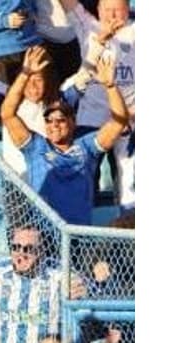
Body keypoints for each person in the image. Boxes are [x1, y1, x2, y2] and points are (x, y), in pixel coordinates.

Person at [0, 48, 127, 226]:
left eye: (61, 120)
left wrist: (111, 87)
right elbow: (7, 114)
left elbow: (118, 122)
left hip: (79, 237)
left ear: (73, 122)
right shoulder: (36, 147)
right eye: (49, 120)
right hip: (43, 238)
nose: (54, 125)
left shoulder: (87, 147)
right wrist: (25, 73)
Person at [59, 0, 134, 211]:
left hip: (130, 118)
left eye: (118, 8)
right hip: (91, 117)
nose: (112, 14)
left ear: (128, 9)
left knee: (129, 179)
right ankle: (84, 230)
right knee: (84, 176)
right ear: (98, 9)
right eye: (107, 9)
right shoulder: (87, 25)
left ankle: (128, 230)